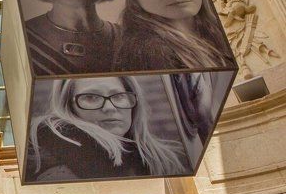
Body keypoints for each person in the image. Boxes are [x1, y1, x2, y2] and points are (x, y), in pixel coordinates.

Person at [25, 76, 188, 182]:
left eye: (119, 96)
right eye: (91, 97)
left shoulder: (166, 161)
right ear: (69, 107)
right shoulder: (57, 170)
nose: (109, 108)